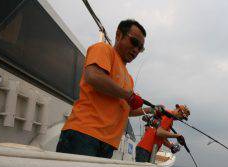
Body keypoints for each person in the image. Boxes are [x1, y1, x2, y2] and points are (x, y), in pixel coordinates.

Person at [56, 19, 160, 158]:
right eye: (134, 42)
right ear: (118, 35)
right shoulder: (103, 49)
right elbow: (93, 76)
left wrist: (151, 109)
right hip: (84, 134)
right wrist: (128, 95)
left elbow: (126, 110)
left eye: (140, 48)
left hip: (107, 143)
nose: (136, 50)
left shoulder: (129, 79)